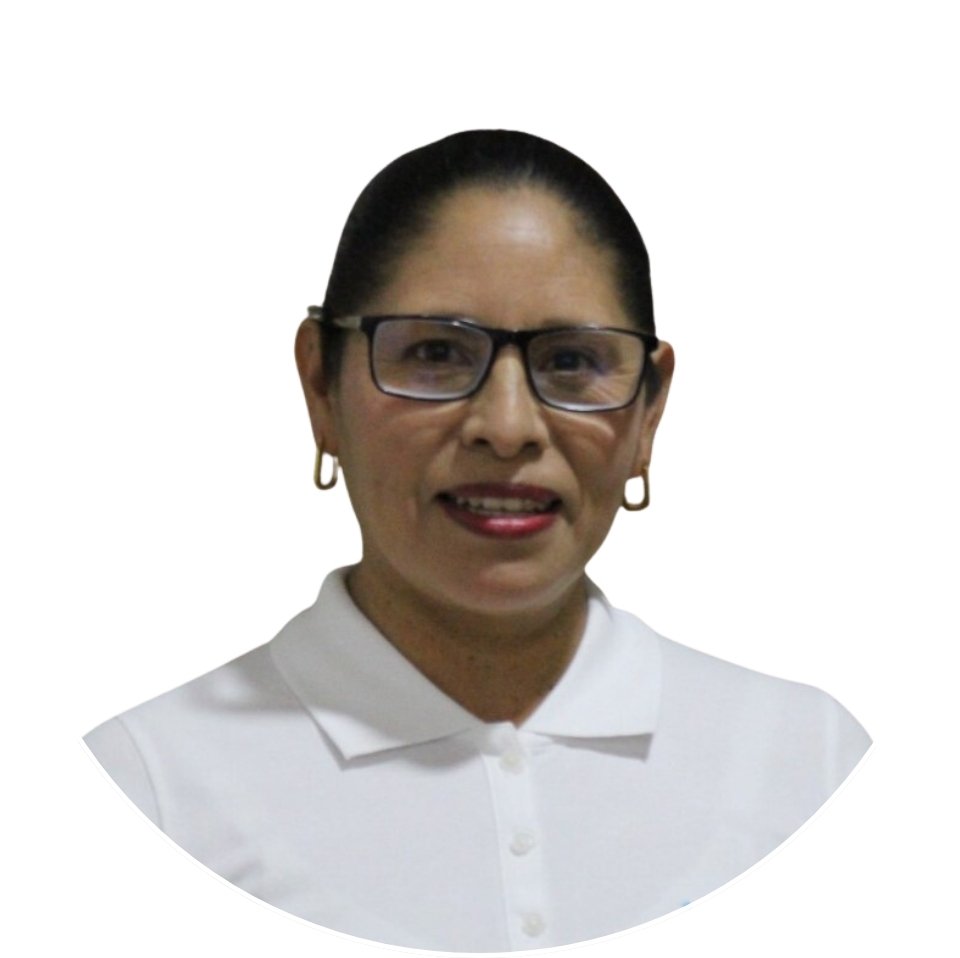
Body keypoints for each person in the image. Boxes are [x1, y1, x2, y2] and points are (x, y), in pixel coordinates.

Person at [83, 130, 870, 952]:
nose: (507, 426)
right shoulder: (149, 790)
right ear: (321, 384)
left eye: (572, 361)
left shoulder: (811, 764)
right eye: (435, 353)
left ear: (649, 411)